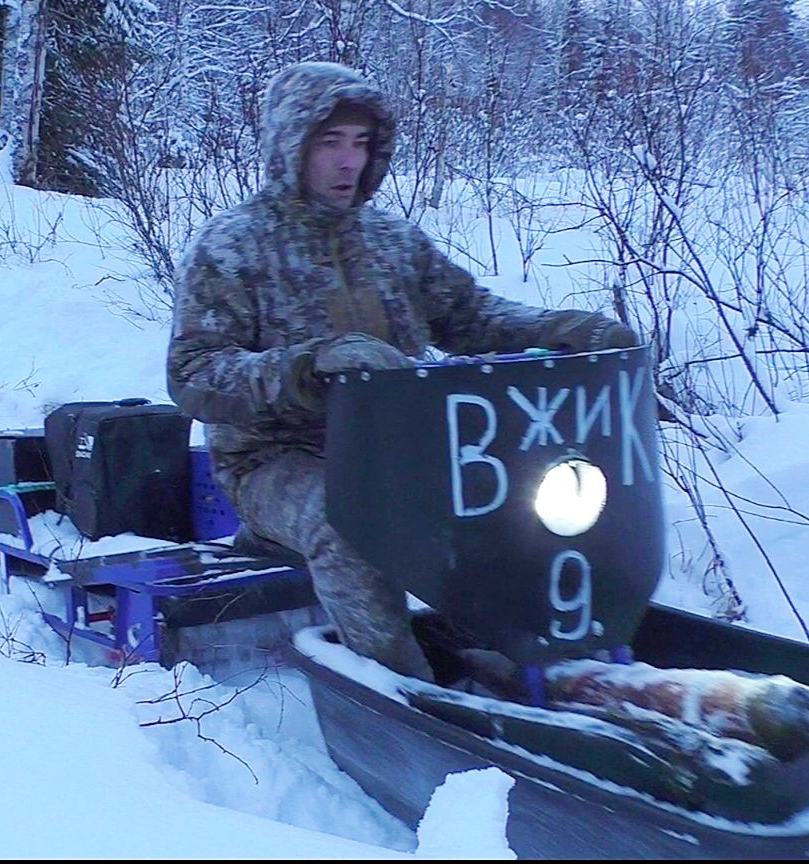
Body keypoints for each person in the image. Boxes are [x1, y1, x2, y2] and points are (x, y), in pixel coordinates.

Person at [166, 61, 637, 681]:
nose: (347, 162)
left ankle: (539, 661)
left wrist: (561, 330)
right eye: (329, 142)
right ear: (290, 145)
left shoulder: (392, 242)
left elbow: (471, 316)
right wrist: (303, 368)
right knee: (349, 522)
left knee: (521, 503)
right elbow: (193, 374)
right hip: (272, 460)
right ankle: (403, 694)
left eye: (361, 143)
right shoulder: (230, 248)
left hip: (401, 446)